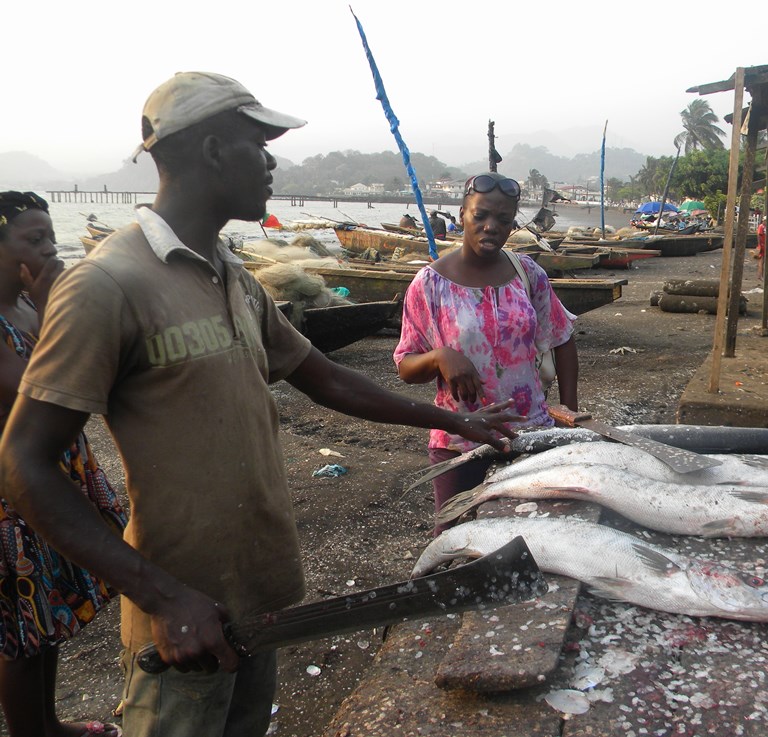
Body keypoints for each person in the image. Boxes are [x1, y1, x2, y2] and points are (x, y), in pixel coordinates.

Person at [0, 72, 521, 737]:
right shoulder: (107, 284)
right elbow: (23, 462)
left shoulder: (234, 276)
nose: (274, 161)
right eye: (260, 143)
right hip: (183, 616)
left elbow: (325, 377)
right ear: (213, 149)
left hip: (258, 603)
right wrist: (162, 595)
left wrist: (454, 419)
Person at [0, 192, 127, 737]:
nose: (51, 249)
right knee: (20, 634)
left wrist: (52, 306)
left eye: (52, 236)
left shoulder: (28, 306)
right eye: (34, 239)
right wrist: (58, 307)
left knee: (47, 616)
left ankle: (47, 723)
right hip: (11, 495)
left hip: (55, 477)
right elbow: (35, 391)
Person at [394, 172, 578, 533]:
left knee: (530, 537)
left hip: (531, 435)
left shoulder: (528, 273)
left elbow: (562, 336)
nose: (491, 227)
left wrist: (570, 411)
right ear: (462, 214)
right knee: (454, 539)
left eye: (504, 220)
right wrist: (440, 357)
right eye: (480, 217)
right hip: (459, 440)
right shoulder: (429, 284)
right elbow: (406, 365)